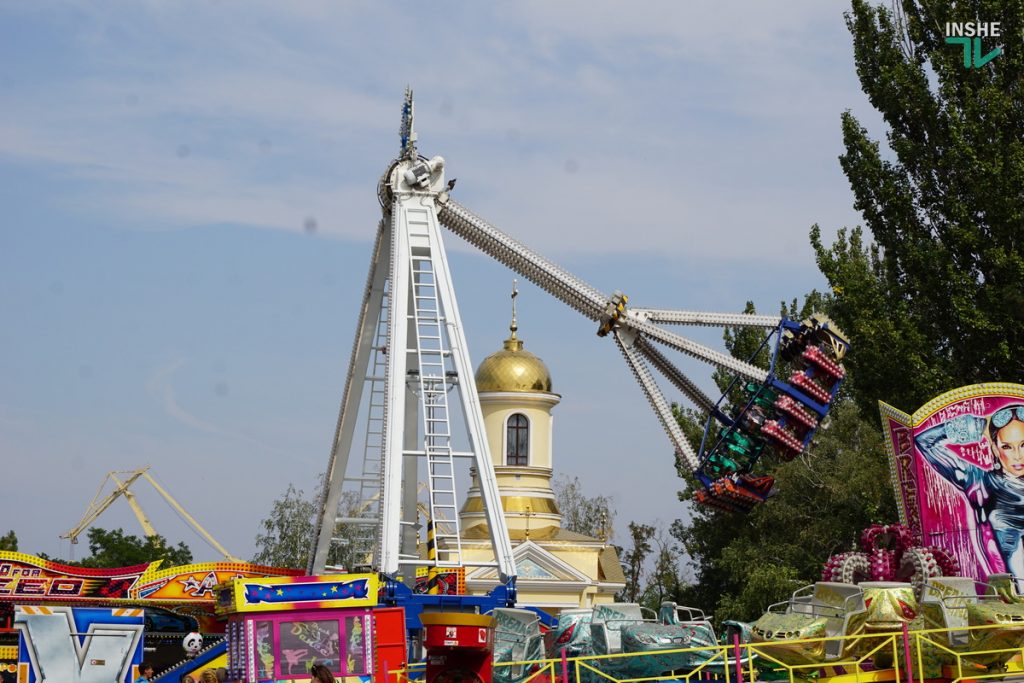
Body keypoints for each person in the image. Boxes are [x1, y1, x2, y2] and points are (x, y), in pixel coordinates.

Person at [916, 404, 1024, 577]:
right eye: (1007, 447)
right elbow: (925, 442)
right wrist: (972, 426)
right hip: (1011, 591)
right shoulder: (979, 481)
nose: (1018, 455)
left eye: (1023, 445)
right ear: (995, 449)